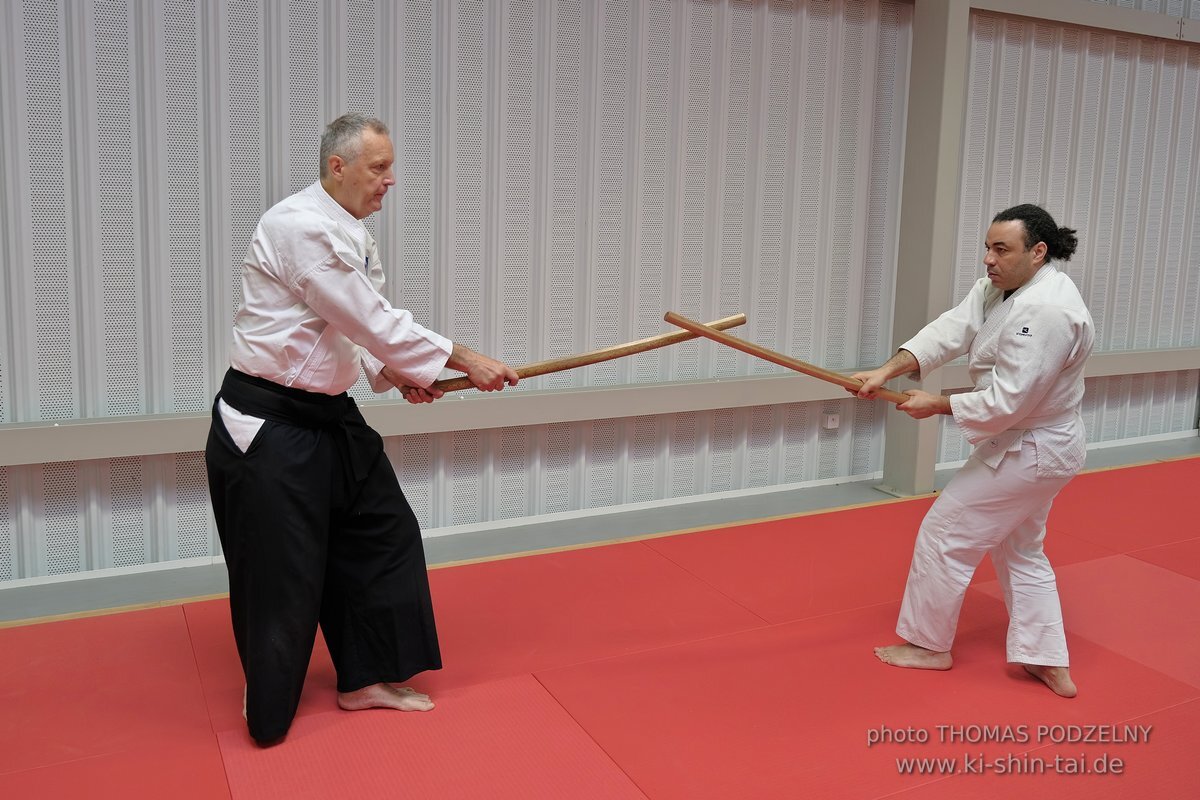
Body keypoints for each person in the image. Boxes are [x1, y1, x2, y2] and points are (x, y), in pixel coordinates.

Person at [205, 113, 519, 744]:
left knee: (383, 533)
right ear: (338, 166)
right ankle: (266, 706)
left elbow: (360, 327)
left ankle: (365, 677)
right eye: (379, 168)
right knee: (282, 571)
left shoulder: (350, 233)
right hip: (268, 421)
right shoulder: (298, 227)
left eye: (390, 167)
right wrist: (465, 358)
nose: (390, 181)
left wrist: (399, 375)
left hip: (328, 415)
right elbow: (366, 314)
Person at [852, 204, 1093, 698]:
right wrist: (886, 371)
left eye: (1000, 249)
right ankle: (1045, 658)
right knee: (1020, 547)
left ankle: (928, 646)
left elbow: (1010, 398)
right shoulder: (1002, 288)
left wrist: (937, 404)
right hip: (1031, 443)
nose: (988, 259)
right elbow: (951, 328)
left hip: (1033, 447)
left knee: (945, 533)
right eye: (987, 247)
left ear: (1038, 252)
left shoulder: (1046, 309)